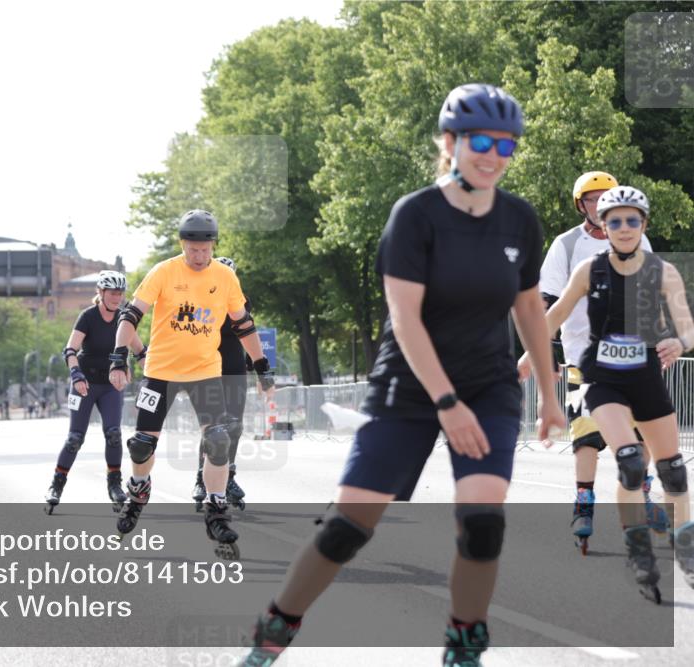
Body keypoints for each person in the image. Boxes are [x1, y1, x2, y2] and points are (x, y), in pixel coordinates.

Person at [240, 84, 564, 667]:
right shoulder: (416, 215)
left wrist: (548, 391)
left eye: (506, 145)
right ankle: (273, 633)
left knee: (483, 524)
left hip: (487, 385)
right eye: (481, 142)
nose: (494, 156)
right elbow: (406, 319)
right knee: (347, 528)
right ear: (450, 142)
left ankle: (464, 647)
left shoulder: (519, 219)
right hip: (409, 387)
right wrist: (446, 402)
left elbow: (528, 309)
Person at [529, 185, 694, 599]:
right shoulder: (589, 269)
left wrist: (679, 343)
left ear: (644, 225)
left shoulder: (663, 272)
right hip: (601, 378)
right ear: (603, 227)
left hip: (645, 376)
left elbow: (686, 326)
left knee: (673, 471)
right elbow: (556, 313)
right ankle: (639, 551)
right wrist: (529, 354)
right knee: (630, 462)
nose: (623, 227)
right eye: (614, 221)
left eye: (632, 220)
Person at [109, 210, 276, 559]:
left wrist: (262, 368)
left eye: (205, 249)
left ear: (213, 245)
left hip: (204, 371)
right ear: (182, 244)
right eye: (193, 249)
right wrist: (119, 358)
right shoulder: (164, 271)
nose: (199, 256)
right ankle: (139, 488)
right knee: (141, 447)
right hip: (161, 372)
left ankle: (216, 511)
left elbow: (244, 325)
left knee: (218, 439)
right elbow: (131, 315)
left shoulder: (225, 276)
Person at [519, 171, 664, 554]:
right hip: (582, 356)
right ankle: (583, 505)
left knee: (641, 433)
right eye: (592, 199)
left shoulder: (637, 238)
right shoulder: (567, 245)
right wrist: (534, 353)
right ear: (580, 205)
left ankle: (643, 493)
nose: (600, 205)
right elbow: (550, 304)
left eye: (606, 198)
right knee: (586, 436)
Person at [45, 271, 146, 514]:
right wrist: (76, 375)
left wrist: (153, 376)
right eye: (112, 293)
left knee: (114, 434)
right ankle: (56, 486)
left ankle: (115, 486)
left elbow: (140, 352)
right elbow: (70, 350)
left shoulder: (124, 317)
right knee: (75, 438)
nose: (117, 298)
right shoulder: (88, 316)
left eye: (120, 293)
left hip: (111, 385)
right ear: (100, 293)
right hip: (85, 383)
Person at [190, 257, 252, 511]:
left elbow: (248, 331)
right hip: (207, 369)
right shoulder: (199, 298)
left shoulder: (242, 300)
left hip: (235, 368)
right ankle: (201, 479)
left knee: (234, 426)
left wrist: (255, 360)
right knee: (213, 428)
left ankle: (229, 477)